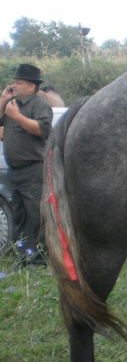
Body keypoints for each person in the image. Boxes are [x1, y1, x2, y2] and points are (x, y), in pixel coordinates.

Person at [0, 63, 53, 266]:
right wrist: (4, 99)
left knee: (38, 217)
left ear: (31, 87)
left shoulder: (39, 105)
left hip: (34, 169)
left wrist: (17, 117)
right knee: (20, 216)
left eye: (18, 83)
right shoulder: (11, 103)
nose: (14, 86)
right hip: (16, 170)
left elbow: (42, 129)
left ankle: (41, 259)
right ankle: (23, 256)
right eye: (14, 82)